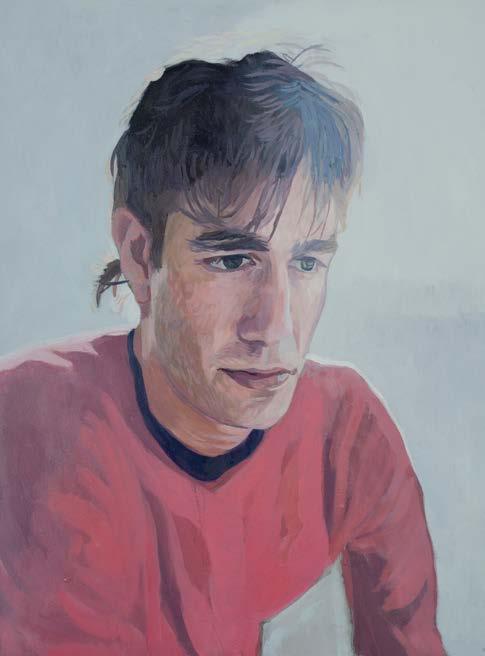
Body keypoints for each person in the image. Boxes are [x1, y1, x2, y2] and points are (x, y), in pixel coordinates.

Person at [0, 50, 446, 655]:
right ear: (140, 257)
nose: (277, 329)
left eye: (307, 263)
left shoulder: (347, 434)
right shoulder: (32, 429)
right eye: (233, 260)